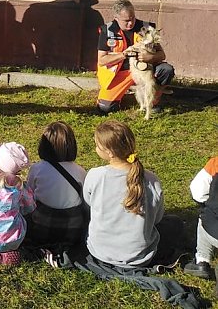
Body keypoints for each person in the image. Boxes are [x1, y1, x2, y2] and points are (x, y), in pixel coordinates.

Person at [85, 120, 183, 268]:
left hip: (99, 252)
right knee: (174, 223)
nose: (95, 148)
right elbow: (157, 219)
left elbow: (88, 203)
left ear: (110, 152)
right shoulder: (152, 180)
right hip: (140, 257)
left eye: (97, 145)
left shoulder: (95, 176)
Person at [96, 0, 174, 115]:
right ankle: (122, 96)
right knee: (105, 108)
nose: (131, 23)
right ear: (116, 18)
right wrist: (123, 55)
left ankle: (152, 102)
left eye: (132, 18)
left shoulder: (146, 28)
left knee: (166, 70)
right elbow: (102, 60)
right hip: (120, 74)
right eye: (126, 20)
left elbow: (162, 55)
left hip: (144, 71)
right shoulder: (107, 31)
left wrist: (150, 58)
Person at [25, 122, 88, 255]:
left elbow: (28, 195)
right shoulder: (80, 171)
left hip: (41, 229)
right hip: (73, 230)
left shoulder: (37, 169)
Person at [183, 155, 218, 279]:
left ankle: (202, 261)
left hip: (214, 230)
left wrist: (211, 202)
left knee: (206, 216)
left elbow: (197, 191)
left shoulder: (215, 163)